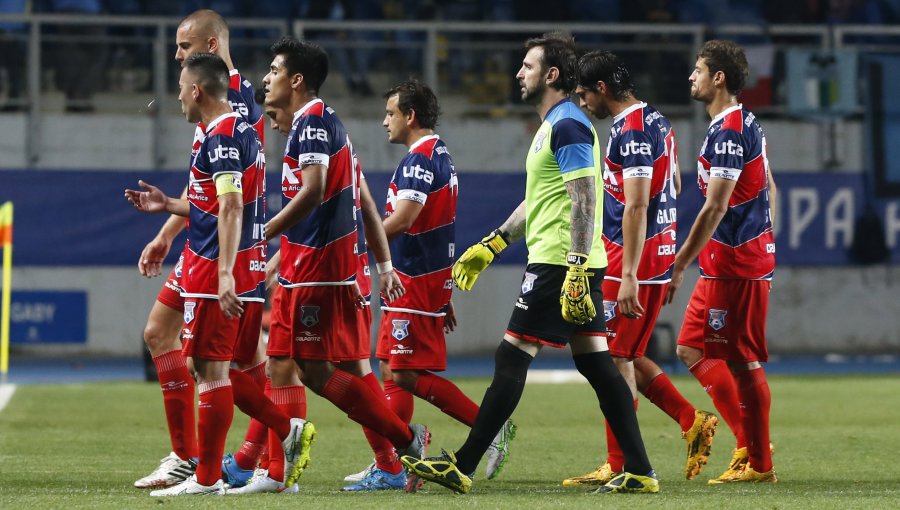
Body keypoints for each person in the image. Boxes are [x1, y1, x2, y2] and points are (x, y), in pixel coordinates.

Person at [400, 32, 657, 495]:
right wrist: (495, 243)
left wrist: (576, 266)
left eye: (528, 65)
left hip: (562, 262)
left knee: (511, 354)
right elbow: (540, 199)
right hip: (570, 260)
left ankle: (463, 464)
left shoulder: (568, 125)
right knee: (598, 365)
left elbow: (584, 196)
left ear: (551, 75)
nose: (519, 72)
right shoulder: (555, 125)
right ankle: (639, 469)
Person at [124, 53, 313, 496]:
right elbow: (215, 203)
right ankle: (281, 436)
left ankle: (208, 476)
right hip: (240, 266)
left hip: (216, 266)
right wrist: (168, 204)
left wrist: (224, 273)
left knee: (209, 370)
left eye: (180, 90)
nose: (177, 101)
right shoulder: (239, 131)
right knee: (223, 369)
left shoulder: (221, 136)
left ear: (196, 91)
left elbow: (231, 206)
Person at [259, 36, 429, 490]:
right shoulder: (328, 123)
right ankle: (389, 464)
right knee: (339, 366)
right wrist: (384, 262)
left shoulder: (311, 122)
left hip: (323, 269)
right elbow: (365, 200)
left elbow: (312, 191)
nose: (267, 77)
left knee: (310, 368)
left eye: (274, 70)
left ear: (296, 80)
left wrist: (263, 232)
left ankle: (406, 441)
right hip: (327, 267)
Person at [343, 79, 515, 491]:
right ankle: (394, 463)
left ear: (410, 115)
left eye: (390, 113)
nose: (385, 121)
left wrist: (357, 245)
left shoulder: (420, 161)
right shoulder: (440, 156)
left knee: (402, 372)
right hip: (420, 279)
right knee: (393, 370)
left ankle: (487, 428)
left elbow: (404, 219)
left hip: (414, 280)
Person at [562, 50, 719, 487]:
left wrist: (629, 273)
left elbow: (636, 204)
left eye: (584, 93)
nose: (582, 102)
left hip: (632, 260)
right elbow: (675, 183)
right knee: (625, 353)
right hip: (655, 255)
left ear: (602, 89)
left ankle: (623, 464)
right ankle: (690, 419)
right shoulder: (657, 121)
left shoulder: (628, 132)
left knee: (611, 360)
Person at [132, 9, 270, 491]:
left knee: (233, 364)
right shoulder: (215, 103)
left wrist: (230, 265)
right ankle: (192, 456)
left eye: (184, 47)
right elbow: (207, 186)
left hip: (222, 252)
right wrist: (167, 230)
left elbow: (233, 198)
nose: (176, 56)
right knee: (161, 334)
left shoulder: (234, 104)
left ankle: (272, 442)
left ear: (210, 47)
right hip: (204, 243)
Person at [667, 39, 778, 484]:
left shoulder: (730, 130)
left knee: (743, 360)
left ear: (718, 78)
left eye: (698, 70)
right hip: (726, 261)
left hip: (736, 263)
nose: (690, 77)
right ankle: (749, 443)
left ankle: (759, 463)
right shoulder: (738, 123)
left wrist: (678, 263)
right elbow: (768, 185)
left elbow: (715, 207)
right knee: (691, 348)